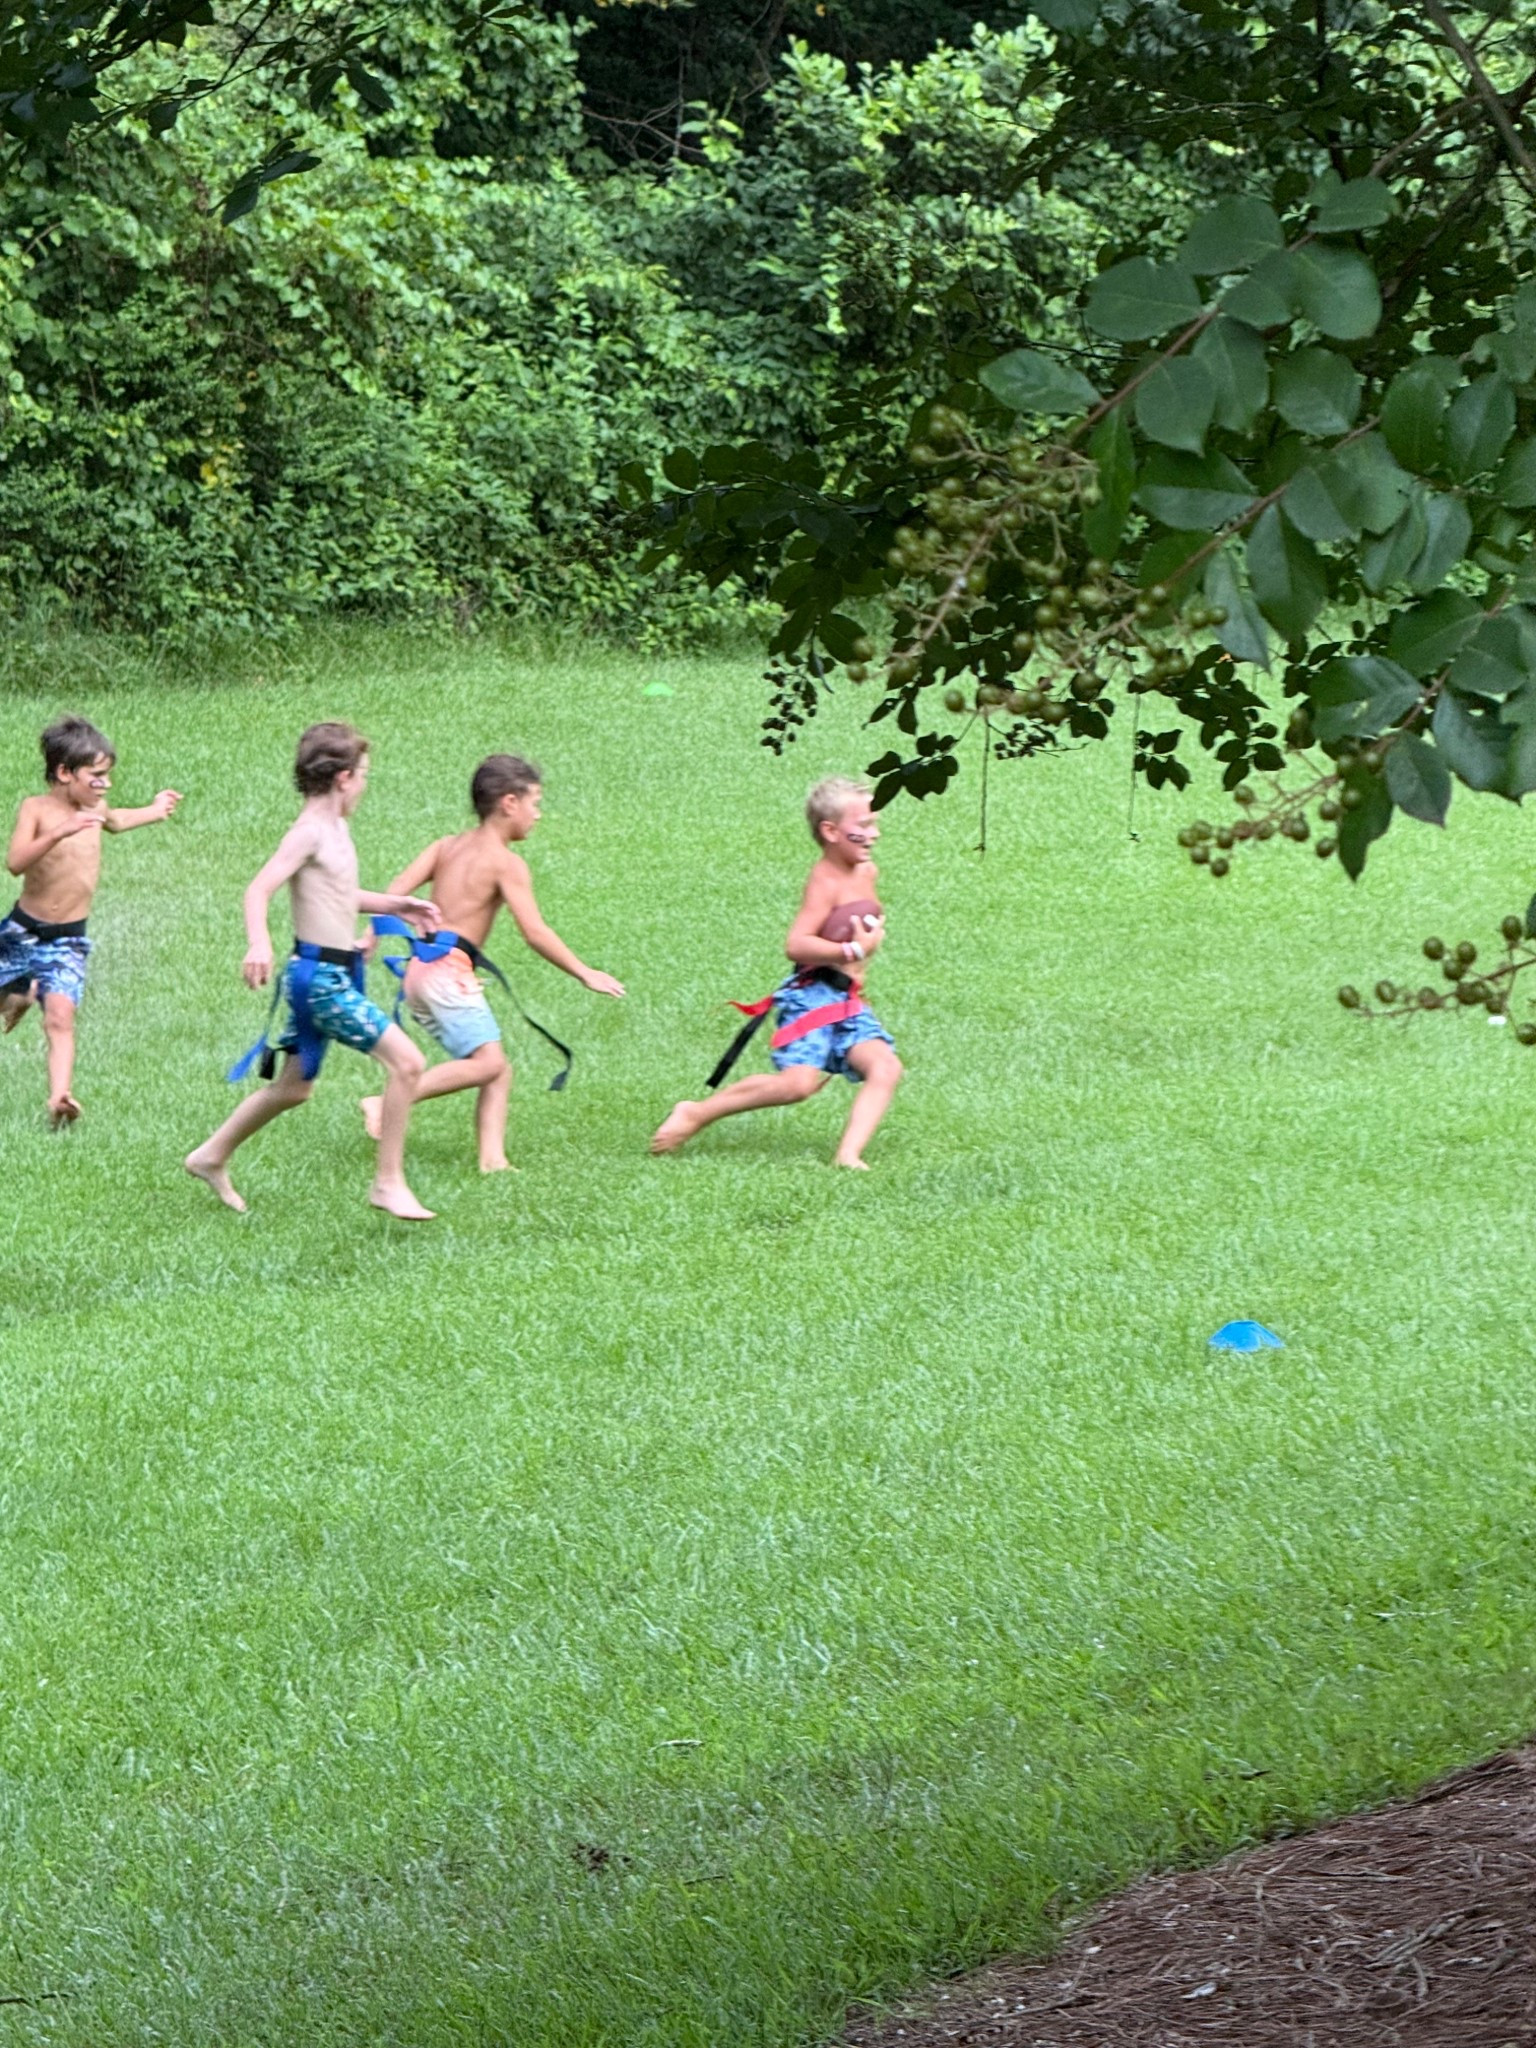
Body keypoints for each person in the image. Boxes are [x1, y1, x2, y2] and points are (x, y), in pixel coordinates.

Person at [184, 722, 441, 1220]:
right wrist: (258, 941)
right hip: (319, 982)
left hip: (333, 974)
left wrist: (396, 905)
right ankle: (388, 1183)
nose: (366, 784)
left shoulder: (336, 829)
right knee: (407, 1064)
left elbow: (340, 894)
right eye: (364, 774)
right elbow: (258, 889)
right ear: (343, 778)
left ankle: (209, 1156)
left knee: (295, 1088)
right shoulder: (307, 833)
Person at [365, 753, 625, 1172]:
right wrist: (584, 972)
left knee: (496, 1068)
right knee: (487, 1063)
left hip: (418, 973)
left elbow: (395, 893)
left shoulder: (445, 847)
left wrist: (369, 933)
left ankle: (492, 1159)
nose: (537, 815)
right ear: (509, 803)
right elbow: (534, 932)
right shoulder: (507, 863)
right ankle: (387, 1100)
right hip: (448, 972)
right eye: (534, 803)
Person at [651, 775, 903, 1169]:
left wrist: (862, 955)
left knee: (885, 1066)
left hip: (847, 998)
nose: (874, 834)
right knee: (797, 1085)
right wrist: (852, 949)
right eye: (864, 826)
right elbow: (797, 944)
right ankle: (696, 1113)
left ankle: (848, 1155)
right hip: (813, 994)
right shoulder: (824, 881)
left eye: (875, 823)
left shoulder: (866, 872)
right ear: (831, 831)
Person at [0, 714, 181, 1126]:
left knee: (60, 1017)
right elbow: (15, 863)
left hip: (68, 940)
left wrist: (155, 810)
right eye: (97, 777)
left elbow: (117, 821)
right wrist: (59, 833)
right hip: (22, 932)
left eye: (107, 777)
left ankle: (60, 1097)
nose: (105, 786)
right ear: (65, 773)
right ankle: (19, 994)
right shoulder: (37, 810)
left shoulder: (97, 808)